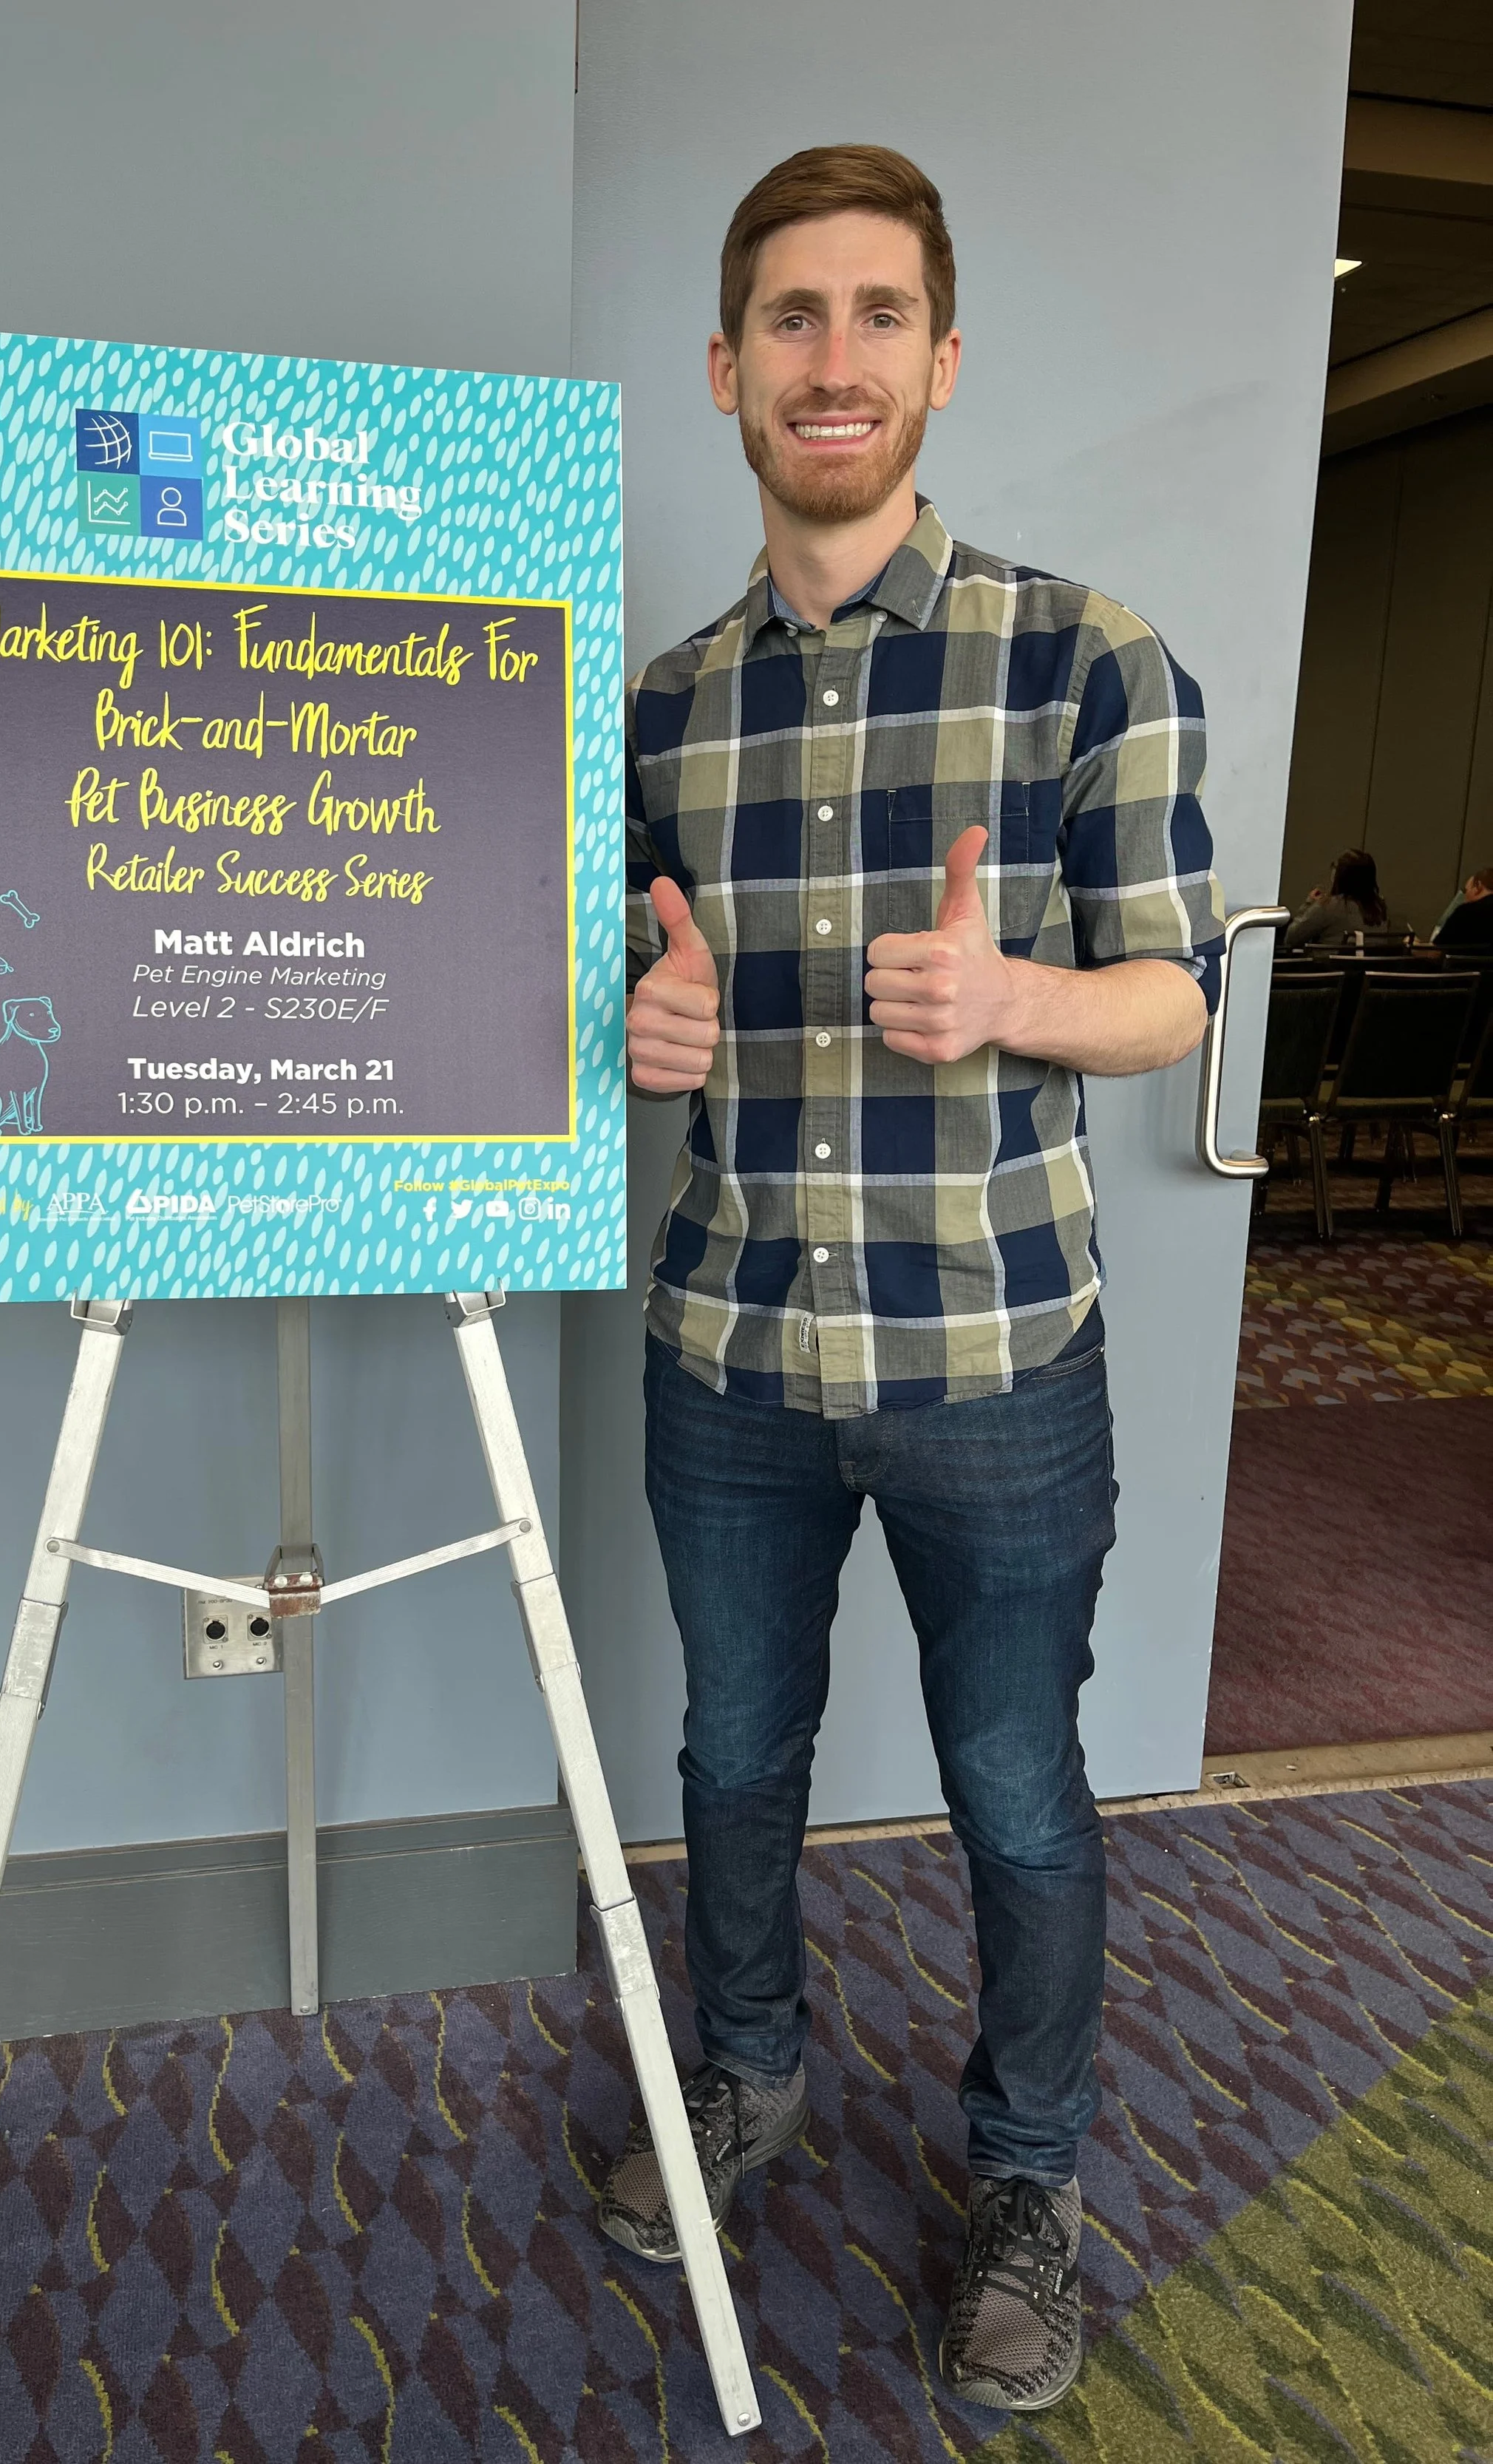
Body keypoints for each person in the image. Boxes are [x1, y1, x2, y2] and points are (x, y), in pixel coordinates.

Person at [601, 144, 1224, 2417]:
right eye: (791, 316)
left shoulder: (1087, 657)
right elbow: (613, 982)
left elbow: (1169, 993)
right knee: (731, 1749)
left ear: (939, 361)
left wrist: (1014, 998)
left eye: (876, 313)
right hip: (732, 1354)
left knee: (1016, 1785)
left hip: (992, 1358)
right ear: (725, 370)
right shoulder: (661, 708)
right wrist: (629, 1028)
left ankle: (1025, 2180)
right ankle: (749, 2071)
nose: (832, 356)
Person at [1282, 847, 1389, 949]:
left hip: (1327, 962)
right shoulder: (1380, 908)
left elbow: (1291, 939)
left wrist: (1309, 904)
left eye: (1335, 867)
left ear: (1340, 874)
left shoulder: (1328, 906)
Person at [1435, 864, 1493, 951]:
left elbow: (1438, 951)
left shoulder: (1466, 912)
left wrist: (1416, 947)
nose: (1465, 896)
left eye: (1466, 890)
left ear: (1478, 886)